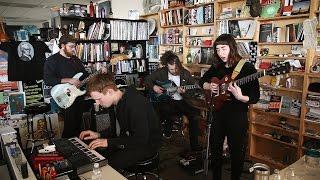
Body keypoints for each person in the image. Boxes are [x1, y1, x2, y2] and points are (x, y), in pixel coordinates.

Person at [199, 34, 260, 180]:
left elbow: (255, 97)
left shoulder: (247, 68)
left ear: (232, 48)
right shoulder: (217, 66)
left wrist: (240, 97)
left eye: (224, 48)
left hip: (237, 115)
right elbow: (201, 81)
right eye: (218, 49)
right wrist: (210, 86)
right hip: (218, 113)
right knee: (215, 149)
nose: (220, 53)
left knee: (237, 153)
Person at [79, 73, 161, 170]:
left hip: (147, 146)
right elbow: (117, 128)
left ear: (109, 92)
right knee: (99, 153)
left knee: (107, 165)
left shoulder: (135, 104)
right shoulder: (118, 101)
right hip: (130, 140)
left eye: (98, 99)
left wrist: (108, 142)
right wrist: (99, 134)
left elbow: (141, 139)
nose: (97, 103)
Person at [145, 51, 201, 151]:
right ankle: (157, 140)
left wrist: (184, 92)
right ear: (167, 66)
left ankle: (195, 146)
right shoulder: (161, 72)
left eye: (176, 68)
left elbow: (194, 90)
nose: (174, 71)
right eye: (171, 69)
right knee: (162, 111)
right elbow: (147, 80)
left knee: (194, 115)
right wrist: (154, 87)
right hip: (164, 100)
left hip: (181, 101)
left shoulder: (185, 73)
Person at [43, 34, 89, 138]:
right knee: (69, 127)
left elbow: (85, 75)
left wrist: (98, 72)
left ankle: (78, 146)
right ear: (63, 46)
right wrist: (68, 80)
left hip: (78, 96)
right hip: (63, 97)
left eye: (74, 46)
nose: (74, 49)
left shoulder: (75, 60)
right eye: (71, 46)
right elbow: (47, 80)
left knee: (77, 125)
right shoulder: (52, 60)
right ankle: (66, 147)